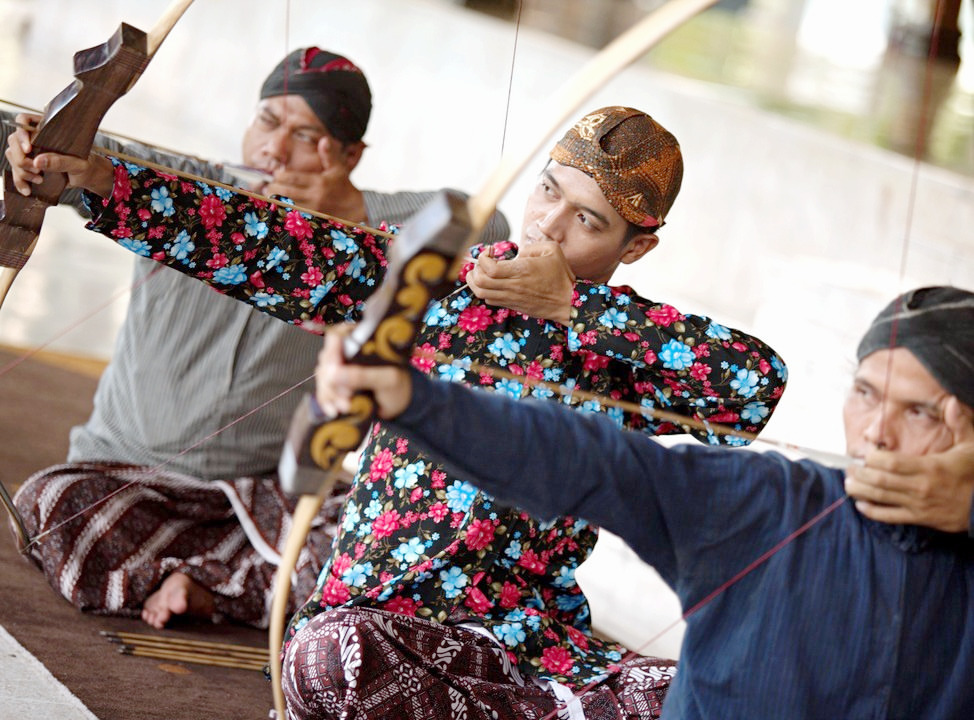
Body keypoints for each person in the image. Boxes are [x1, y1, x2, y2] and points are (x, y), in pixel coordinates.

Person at [9, 105, 788, 717]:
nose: (548, 226)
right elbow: (266, 242)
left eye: (589, 220)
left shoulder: (619, 351)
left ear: (636, 247)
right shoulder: (431, 282)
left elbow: (756, 384)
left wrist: (576, 311)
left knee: (736, 688)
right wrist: (101, 182)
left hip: (526, 645)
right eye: (549, 191)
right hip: (380, 625)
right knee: (325, 659)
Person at [2, 46, 509, 630]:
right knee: (52, 505)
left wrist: (350, 209)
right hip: (121, 481)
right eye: (268, 122)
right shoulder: (192, 192)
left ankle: (201, 585)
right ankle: (219, 584)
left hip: (255, 502)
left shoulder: (353, 239)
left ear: (348, 157)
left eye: (304, 135)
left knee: (389, 535)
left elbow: (489, 226)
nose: (275, 148)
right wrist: (36, 150)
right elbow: (94, 158)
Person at [310, 284, 974, 719]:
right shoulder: (771, 504)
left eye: (919, 411)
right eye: (864, 393)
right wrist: (412, 400)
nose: (877, 432)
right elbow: (589, 459)